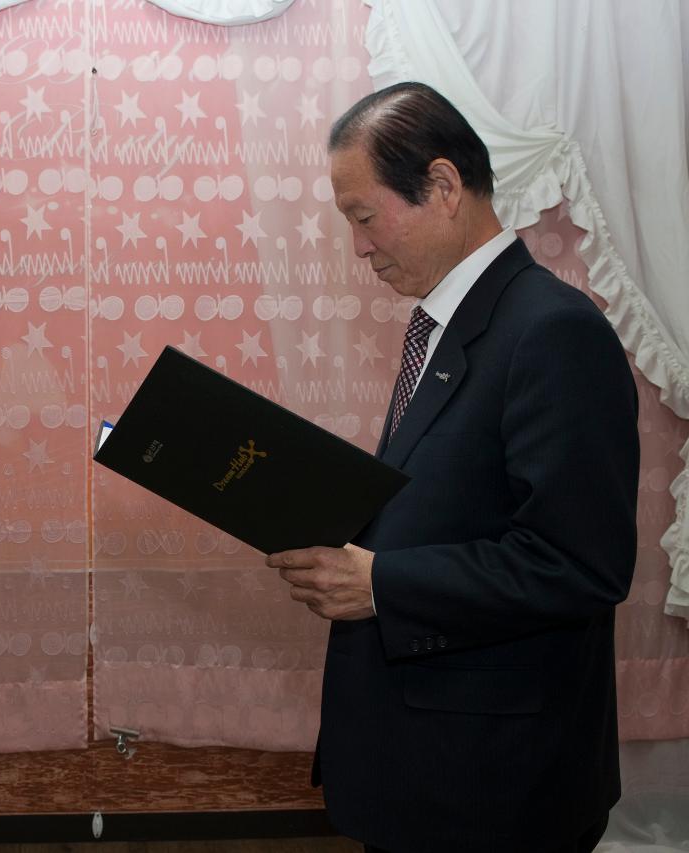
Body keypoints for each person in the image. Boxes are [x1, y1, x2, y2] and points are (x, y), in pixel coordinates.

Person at [268, 83, 639, 853]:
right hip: (430, 769)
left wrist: (378, 584)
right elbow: (451, 503)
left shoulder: (552, 331)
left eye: (364, 217)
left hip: (497, 790)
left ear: (441, 186)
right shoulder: (450, 321)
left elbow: (579, 563)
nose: (359, 247)